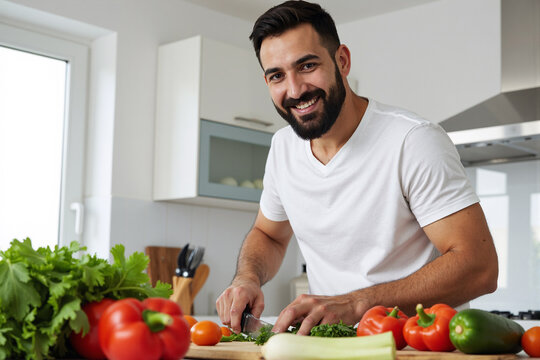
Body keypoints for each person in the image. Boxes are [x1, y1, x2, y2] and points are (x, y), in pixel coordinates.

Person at [216, 0, 498, 336]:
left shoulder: (412, 141)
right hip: (328, 345)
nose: (294, 90)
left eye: (306, 66)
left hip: (415, 347)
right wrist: (247, 277)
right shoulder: (283, 148)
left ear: (342, 61)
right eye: (277, 75)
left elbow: (479, 267)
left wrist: (355, 304)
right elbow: (269, 235)